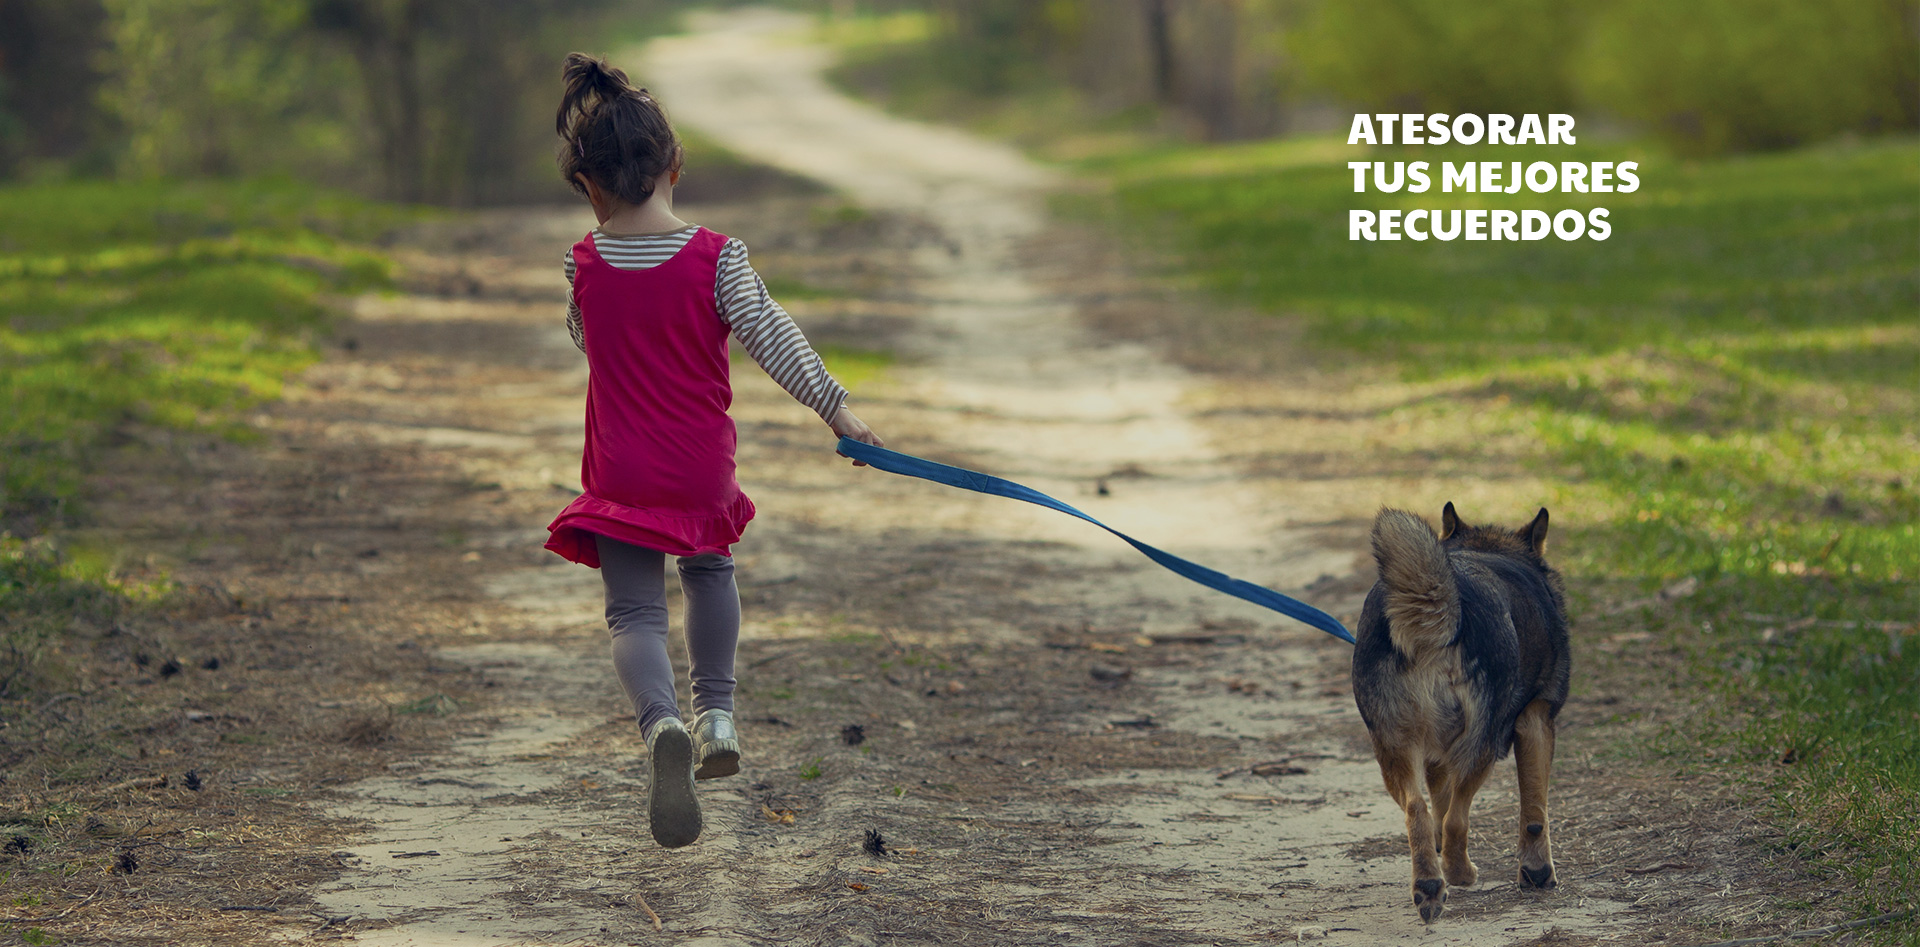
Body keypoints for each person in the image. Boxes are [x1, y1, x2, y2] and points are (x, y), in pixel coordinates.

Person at [545, 52, 884, 848]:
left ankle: (661, 723)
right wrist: (839, 412)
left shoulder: (583, 262)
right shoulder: (717, 258)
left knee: (634, 611)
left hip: (621, 468)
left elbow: (587, 340)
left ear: (590, 187)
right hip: (699, 464)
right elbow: (775, 339)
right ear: (674, 165)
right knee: (709, 571)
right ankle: (717, 716)